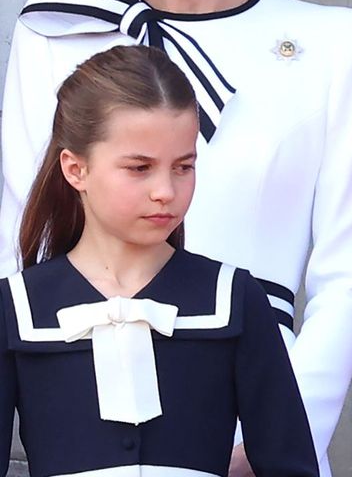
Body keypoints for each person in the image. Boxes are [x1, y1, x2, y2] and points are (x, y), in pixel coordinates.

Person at [1, 0, 352, 475]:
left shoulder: (337, 42)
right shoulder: (55, 34)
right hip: (91, 423)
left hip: (259, 425)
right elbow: (20, 242)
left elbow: (348, 271)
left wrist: (270, 437)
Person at [0, 44, 318, 476]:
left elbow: (291, 465)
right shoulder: (16, 307)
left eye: (183, 166)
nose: (165, 191)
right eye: (139, 168)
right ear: (75, 169)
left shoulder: (234, 299)